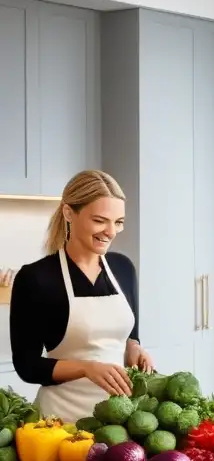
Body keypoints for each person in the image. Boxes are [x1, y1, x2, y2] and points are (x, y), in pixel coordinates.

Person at [9, 170, 153, 424]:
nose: (111, 231)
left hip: (121, 420)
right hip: (61, 422)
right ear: (68, 214)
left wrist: (135, 348)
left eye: (118, 222)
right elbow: (27, 366)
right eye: (100, 220)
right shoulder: (36, 278)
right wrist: (86, 367)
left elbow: (130, 335)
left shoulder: (123, 269)